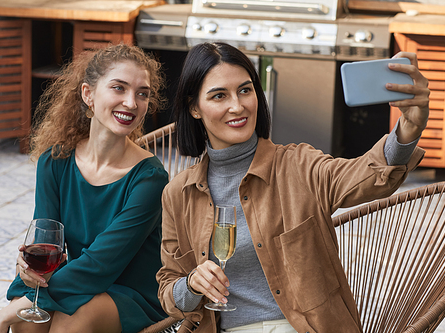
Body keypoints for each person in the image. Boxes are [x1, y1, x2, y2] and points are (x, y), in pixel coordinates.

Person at [156, 42, 430, 333]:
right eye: (219, 95)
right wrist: (192, 285)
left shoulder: (298, 165)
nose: (237, 106)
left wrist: (409, 128)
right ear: (194, 108)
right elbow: (169, 291)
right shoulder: (178, 194)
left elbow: (366, 176)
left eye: (245, 90)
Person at [0, 43, 168, 333]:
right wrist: (25, 277)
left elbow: (101, 264)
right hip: (78, 281)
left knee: (69, 323)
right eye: (119, 88)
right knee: (28, 325)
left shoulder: (150, 178)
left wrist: (4, 314)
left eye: (142, 93)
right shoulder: (54, 162)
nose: (132, 103)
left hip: (130, 292)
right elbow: (46, 243)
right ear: (88, 94)